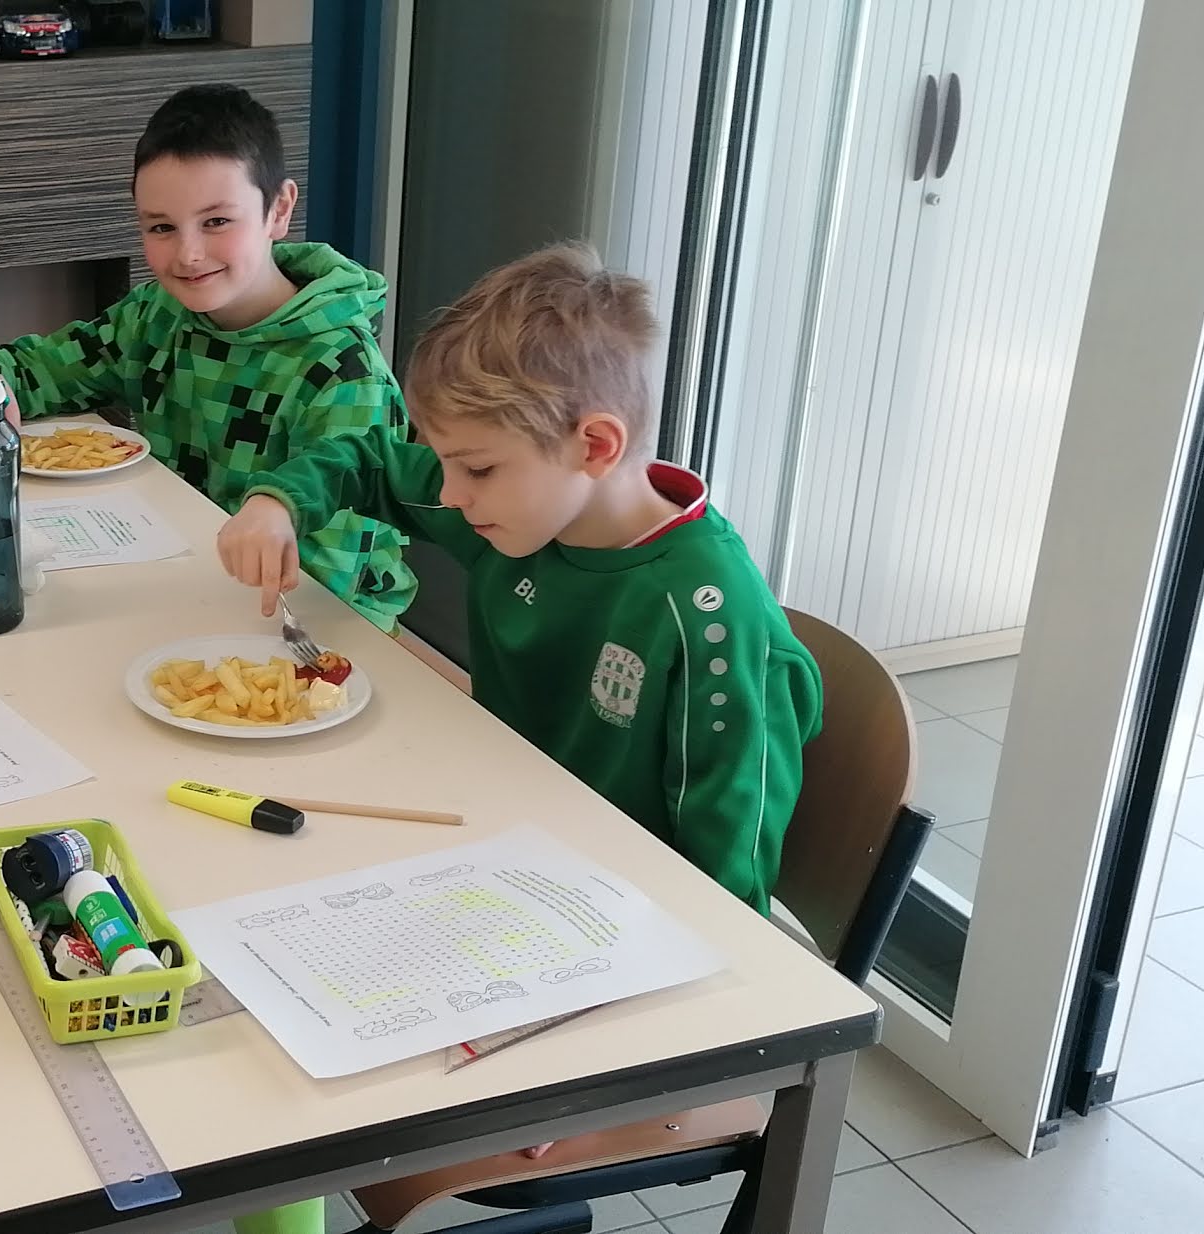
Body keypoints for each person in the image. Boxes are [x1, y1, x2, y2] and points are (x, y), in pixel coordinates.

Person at [215, 245, 822, 1231]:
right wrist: (276, 500)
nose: (450, 496)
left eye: (477, 468)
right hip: (497, 870)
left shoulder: (708, 617)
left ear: (593, 445)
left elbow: (726, 879)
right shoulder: (525, 505)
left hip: (611, 944)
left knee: (293, 1074)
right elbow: (370, 459)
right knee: (253, 975)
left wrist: (598, 1058)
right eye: (450, 463)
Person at [0, 83, 416, 631]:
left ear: (279, 210)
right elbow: (36, 368)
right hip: (172, 583)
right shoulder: (155, 315)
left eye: (217, 222)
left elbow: (325, 583)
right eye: (162, 227)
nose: (188, 254)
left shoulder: (344, 372)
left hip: (305, 628)